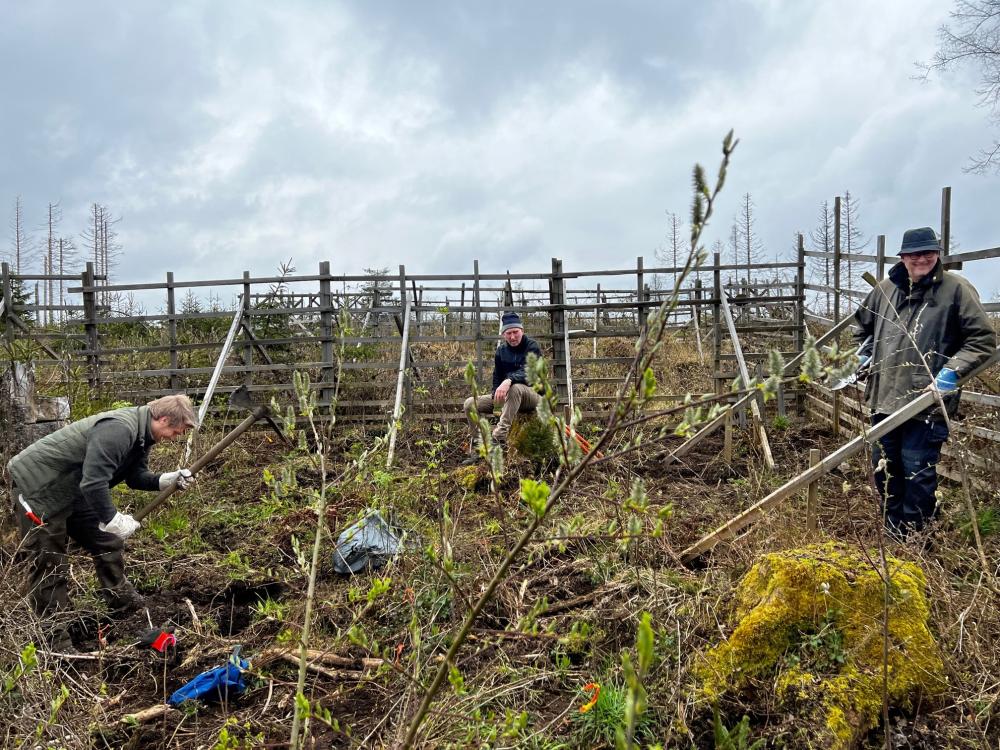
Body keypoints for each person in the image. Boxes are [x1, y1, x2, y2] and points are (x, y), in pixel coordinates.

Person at [7, 394, 198, 652]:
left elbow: (135, 476)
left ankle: (122, 600)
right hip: (40, 490)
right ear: (163, 419)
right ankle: (55, 642)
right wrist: (112, 518)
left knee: (107, 540)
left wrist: (166, 479)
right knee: (51, 564)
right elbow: (94, 482)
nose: (174, 437)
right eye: (176, 431)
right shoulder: (119, 429)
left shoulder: (143, 436)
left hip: (73, 488)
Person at [852, 226, 995, 538]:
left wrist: (952, 371)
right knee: (885, 473)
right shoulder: (886, 290)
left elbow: (982, 341)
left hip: (926, 402)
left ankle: (916, 542)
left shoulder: (956, 289)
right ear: (903, 257)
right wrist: (863, 356)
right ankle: (893, 536)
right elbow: (861, 326)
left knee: (917, 474)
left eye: (928, 252)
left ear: (938, 254)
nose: (922, 259)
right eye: (914, 254)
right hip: (884, 399)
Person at [463, 311, 543, 459]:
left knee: (515, 388)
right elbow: (497, 377)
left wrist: (509, 380)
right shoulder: (501, 351)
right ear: (503, 334)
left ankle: (498, 437)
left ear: (522, 331)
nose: (512, 337)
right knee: (470, 404)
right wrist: (495, 396)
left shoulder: (532, 346)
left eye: (515, 332)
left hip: (533, 395)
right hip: (510, 397)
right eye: (508, 333)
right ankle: (479, 446)